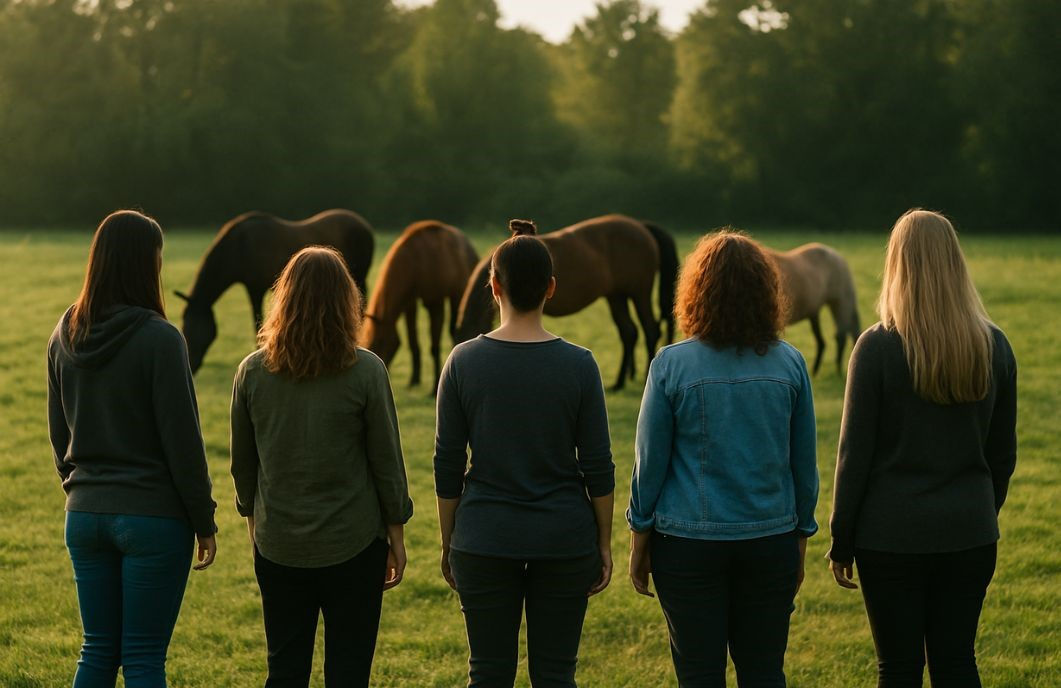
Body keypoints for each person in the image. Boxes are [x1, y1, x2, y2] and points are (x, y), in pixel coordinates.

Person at [828, 209, 1017, 687]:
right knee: (957, 664)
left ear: (897, 265)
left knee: (898, 669)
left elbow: (854, 455)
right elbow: (1003, 456)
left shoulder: (876, 347)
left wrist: (841, 538)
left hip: (890, 537)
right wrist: (974, 508)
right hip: (970, 532)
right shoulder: (994, 346)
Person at [627, 230, 818, 687]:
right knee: (765, 672)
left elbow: (648, 465)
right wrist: (801, 537)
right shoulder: (790, 364)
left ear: (696, 292)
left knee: (698, 676)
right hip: (770, 538)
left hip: (687, 544)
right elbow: (803, 465)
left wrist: (639, 539)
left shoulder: (670, 365)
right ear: (765, 292)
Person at [433, 219, 615, 688]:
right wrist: (603, 542)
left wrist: (449, 539)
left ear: (493, 287)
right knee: (556, 676)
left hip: (483, 537)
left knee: (488, 675)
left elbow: (448, 465)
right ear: (551, 288)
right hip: (565, 538)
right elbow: (598, 465)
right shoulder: (579, 364)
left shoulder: (462, 361)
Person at [47, 210, 218, 688]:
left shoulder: (63, 335)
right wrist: (203, 520)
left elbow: (59, 439)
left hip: (84, 515)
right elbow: (183, 444)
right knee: (143, 657)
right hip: (153, 518)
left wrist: (84, 491)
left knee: (97, 649)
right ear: (147, 263)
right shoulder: (161, 339)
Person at [230, 246, 413, 688]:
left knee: (285, 671)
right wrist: (397, 536)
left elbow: (242, 465)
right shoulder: (366, 371)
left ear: (284, 299)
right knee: (349, 674)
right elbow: (387, 463)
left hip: (278, 545)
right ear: (346, 301)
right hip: (354, 544)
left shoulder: (252, 372)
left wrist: (257, 525)